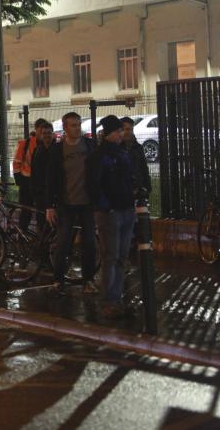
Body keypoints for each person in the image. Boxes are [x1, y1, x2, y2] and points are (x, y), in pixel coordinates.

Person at [45, 112, 98, 296]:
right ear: (65, 128)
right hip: (66, 203)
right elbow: (51, 178)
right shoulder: (57, 150)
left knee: (89, 243)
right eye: (73, 125)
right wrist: (50, 206)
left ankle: (88, 280)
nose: (77, 128)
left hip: (87, 202)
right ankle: (58, 280)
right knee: (63, 243)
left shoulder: (90, 145)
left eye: (79, 124)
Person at [90, 115, 137, 319]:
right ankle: (109, 301)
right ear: (109, 133)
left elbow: (129, 178)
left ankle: (115, 299)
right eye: (118, 131)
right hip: (111, 212)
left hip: (125, 209)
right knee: (112, 257)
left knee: (121, 257)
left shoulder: (121, 152)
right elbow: (94, 185)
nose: (122, 134)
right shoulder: (100, 156)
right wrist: (106, 207)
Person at [14, 120, 48, 231]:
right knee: (26, 211)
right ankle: (22, 234)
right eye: (41, 129)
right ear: (36, 129)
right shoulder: (25, 144)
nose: (43, 132)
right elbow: (17, 162)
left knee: (41, 212)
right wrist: (19, 180)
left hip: (41, 182)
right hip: (27, 181)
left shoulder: (48, 143)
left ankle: (40, 234)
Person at [30, 121, 55, 230]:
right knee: (41, 220)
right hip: (40, 192)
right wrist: (34, 189)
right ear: (41, 134)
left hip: (54, 193)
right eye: (44, 133)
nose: (46, 135)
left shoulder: (58, 149)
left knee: (54, 222)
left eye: (49, 133)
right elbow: (33, 170)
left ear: (53, 133)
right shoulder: (37, 150)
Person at [120, 116, 151, 199]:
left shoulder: (138, 147)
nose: (130, 132)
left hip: (139, 191)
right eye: (127, 129)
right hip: (123, 193)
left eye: (132, 129)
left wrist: (147, 188)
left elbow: (144, 168)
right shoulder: (116, 149)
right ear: (120, 131)